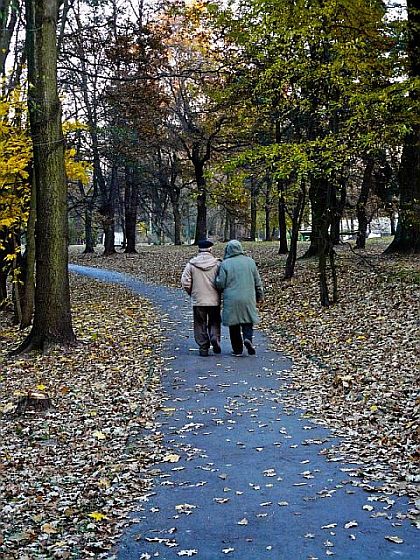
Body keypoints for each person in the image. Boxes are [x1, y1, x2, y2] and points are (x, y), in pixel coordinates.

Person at [215, 239, 264, 356]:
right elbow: (258, 281)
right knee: (248, 320)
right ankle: (248, 339)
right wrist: (260, 295)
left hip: (232, 298)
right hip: (248, 297)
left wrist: (216, 282)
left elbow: (220, 283)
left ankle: (237, 349)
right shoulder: (250, 262)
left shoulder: (225, 264)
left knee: (234, 324)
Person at [181, 239, 222, 357]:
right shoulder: (217, 264)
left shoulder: (191, 264)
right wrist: (219, 291)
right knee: (215, 321)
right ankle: (214, 337)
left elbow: (185, 281)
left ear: (199, 249)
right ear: (210, 249)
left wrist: (192, 292)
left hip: (198, 299)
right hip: (214, 299)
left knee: (200, 323)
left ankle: (203, 346)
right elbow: (222, 280)